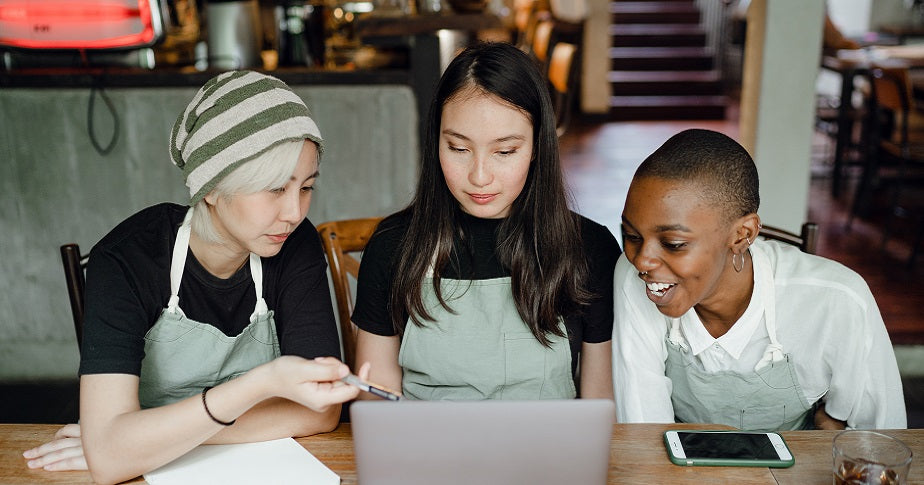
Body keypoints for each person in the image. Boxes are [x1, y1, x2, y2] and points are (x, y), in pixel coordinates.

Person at [23, 70, 366, 484]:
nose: (295, 212)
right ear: (211, 187)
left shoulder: (295, 245)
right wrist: (263, 385)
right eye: (275, 189)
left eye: (306, 187)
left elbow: (321, 411)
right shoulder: (128, 259)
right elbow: (112, 460)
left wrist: (151, 442)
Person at [351, 42, 620, 401]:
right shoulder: (393, 245)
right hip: (425, 454)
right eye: (459, 149)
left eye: (505, 151)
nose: (479, 176)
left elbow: (601, 402)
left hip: (547, 455)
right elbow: (376, 399)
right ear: (436, 142)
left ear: (538, 146)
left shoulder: (590, 248)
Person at [612, 128, 907, 431]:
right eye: (632, 236)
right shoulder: (633, 279)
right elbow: (643, 433)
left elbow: (883, 442)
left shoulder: (837, 299)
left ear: (743, 235)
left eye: (673, 243)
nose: (642, 261)